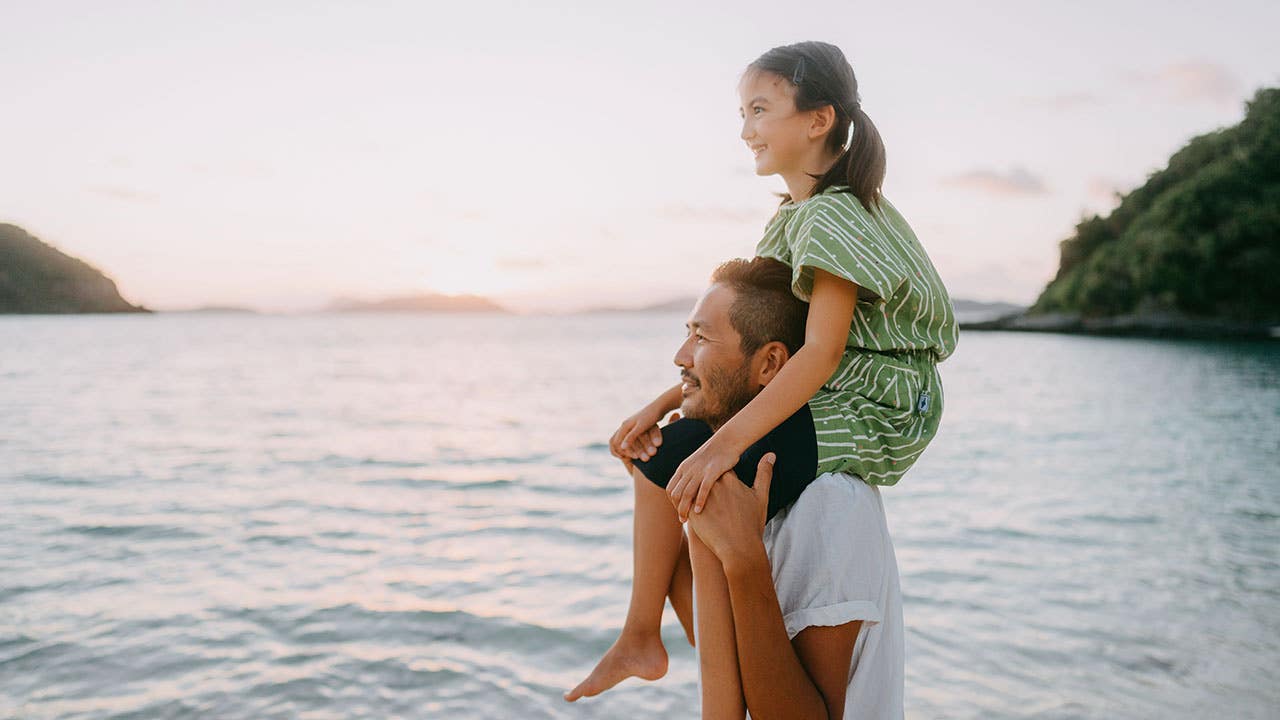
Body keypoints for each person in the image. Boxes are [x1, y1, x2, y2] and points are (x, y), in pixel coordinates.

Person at [566, 41, 956, 702]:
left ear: (817, 120)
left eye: (759, 110)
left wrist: (723, 444)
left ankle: (656, 649)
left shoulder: (833, 214)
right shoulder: (792, 220)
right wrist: (658, 404)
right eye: (741, 113)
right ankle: (641, 634)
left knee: (685, 457)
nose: (745, 129)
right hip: (827, 390)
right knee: (662, 448)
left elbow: (821, 352)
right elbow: (750, 351)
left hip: (877, 406)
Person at [571, 258, 905, 717]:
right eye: (687, 332)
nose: (681, 356)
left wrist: (744, 559)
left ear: (770, 363)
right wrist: (659, 483)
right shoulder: (735, 490)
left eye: (702, 337)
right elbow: (713, 643)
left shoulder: (830, 504)